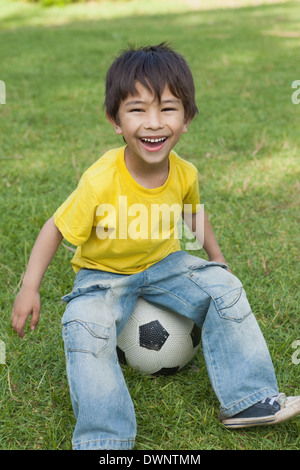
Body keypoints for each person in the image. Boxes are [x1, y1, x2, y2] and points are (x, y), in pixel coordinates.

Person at [11, 43, 299, 450]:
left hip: (164, 264)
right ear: (115, 120)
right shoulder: (100, 180)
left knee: (225, 289)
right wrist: (29, 286)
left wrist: (217, 259)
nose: (153, 123)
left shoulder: (184, 172)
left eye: (167, 109)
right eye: (137, 109)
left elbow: (194, 213)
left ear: (187, 119)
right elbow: (55, 228)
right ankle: (104, 439)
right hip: (103, 275)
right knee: (84, 324)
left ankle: (248, 400)